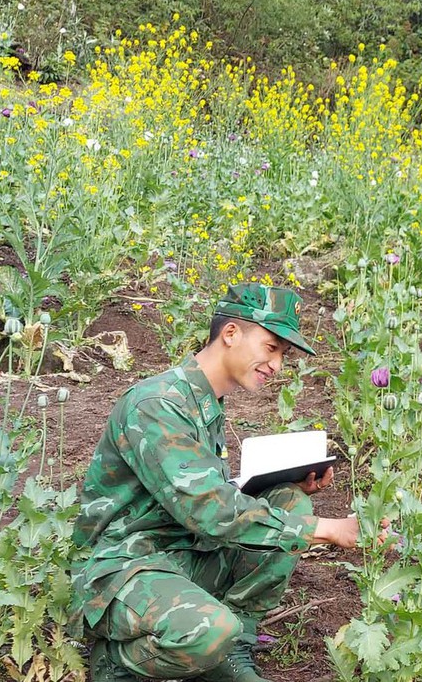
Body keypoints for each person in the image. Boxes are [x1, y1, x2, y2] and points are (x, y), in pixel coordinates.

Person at [71, 283, 369, 682]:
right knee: (210, 630)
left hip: (180, 553)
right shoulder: (157, 404)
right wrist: (327, 529)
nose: (277, 365)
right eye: (271, 347)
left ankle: (231, 650)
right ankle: (117, 663)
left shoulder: (205, 402)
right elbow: (207, 509)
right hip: (125, 569)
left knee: (289, 502)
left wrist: (286, 485)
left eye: (283, 354)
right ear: (231, 334)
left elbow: (202, 495)